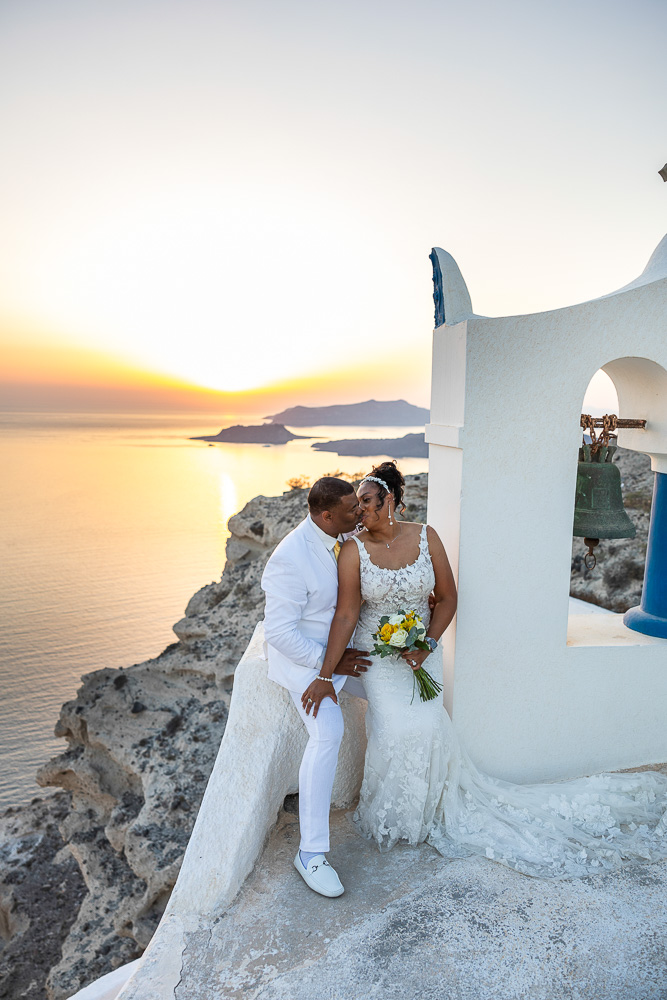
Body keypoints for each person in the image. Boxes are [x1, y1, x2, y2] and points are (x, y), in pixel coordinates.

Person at [302, 461, 667, 880]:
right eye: (357, 504)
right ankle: (393, 816)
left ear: (390, 502)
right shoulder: (353, 549)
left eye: (366, 501)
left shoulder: (427, 536)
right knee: (396, 730)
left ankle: (425, 812)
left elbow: (449, 597)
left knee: (428, 726)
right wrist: (324, 673)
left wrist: (426, 644)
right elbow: (347, 613)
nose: (359, 511)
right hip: (379, 657)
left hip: (424, 650)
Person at [261, 477, 371, 898]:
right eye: (350, 509)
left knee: (402, 691)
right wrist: (327, 664)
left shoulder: (343, 535)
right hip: (307, 665)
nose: (358, 513)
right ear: (326, 515)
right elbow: (280, 633)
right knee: (327, 733)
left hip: (345, 653)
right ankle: (311, 854)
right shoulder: (290, 557)